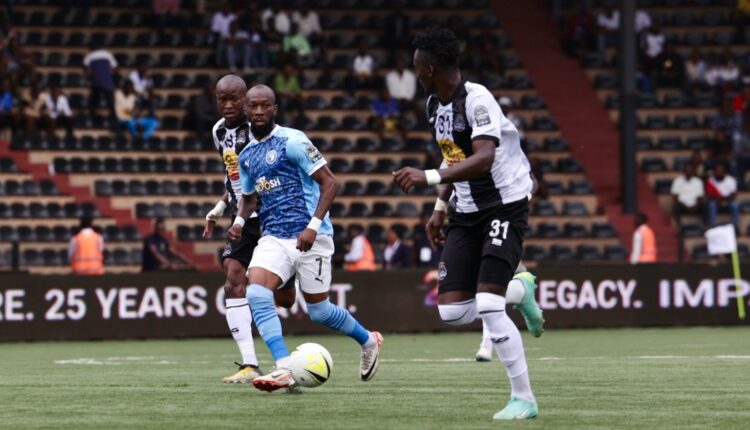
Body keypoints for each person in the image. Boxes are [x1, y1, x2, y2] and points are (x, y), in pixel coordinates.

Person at [392, 27, 543, 420]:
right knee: (453, 311)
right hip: (466, 209)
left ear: (429, 68)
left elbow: (484, 157)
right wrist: (439, 207)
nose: (414, 72)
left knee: (489, 304)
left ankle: (524, 399)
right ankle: (520, 289)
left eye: (417, 66)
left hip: (505, 205)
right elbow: (453, 157)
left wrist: (428, 178)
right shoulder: (434, 105)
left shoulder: (477, 100)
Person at [228, 84, 382, 392]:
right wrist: (239, 221)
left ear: (275, 109)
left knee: (319, 311)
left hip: (311, 235)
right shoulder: (245, 156)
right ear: (246, 111)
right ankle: (284, 368)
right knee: (255, 292)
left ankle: (368, 341)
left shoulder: (293, 141)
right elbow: (249, 197)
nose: (259, 111)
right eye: (253, 106)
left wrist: (312, 226)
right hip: (274, 237)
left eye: (265, 105)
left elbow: (330, 183)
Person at [203, 74, 295, 384]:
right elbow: (234, 175)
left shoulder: (258, 130)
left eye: (235, 99)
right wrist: (220, 208)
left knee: (285, 299)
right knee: (232, 278)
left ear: (245, 101)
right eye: (222, 99)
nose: (228, 105)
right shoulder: (218, 131)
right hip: (241, 217)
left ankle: (288, 279)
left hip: (270, 216)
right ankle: (250, 364)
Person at [83, 42, 117, 126]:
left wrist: (88, 77)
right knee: (111, 103)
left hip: (96, 82)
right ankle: (113, 120)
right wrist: (108, 74)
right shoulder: (107, 54)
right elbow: (115, 67)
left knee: (93, 102)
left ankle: (92, 119)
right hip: (107, 82)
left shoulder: (90, 55)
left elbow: (85, 67)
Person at [705, 163, 740, 230]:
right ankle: (712, 227)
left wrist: (722, 199)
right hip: (716, 202)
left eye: (720, 170)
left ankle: (735, 227)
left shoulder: (731, 180)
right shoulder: (710, 181)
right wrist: (718, 200)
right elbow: (709, 196)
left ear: (725, 171)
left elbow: (733, 195)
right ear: (714, 172)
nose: (718, 172)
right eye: (717, 170)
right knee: (711, 205)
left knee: (735, 205)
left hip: (728, 202)